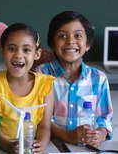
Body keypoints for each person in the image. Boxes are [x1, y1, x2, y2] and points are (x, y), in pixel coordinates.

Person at [37, 11, 113, 146]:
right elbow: (39, 118)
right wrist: (67, 135)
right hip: (51, 147)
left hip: (86, 149)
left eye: (78, 35)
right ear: (52, 44)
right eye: (62, 36)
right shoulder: (41, 74)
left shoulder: (99, 79)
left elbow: (104, 117)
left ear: (87, 44)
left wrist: (101, 133)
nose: (70, 41)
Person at [0, 23, 54, 154]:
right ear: (2, 51)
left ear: (37, 54)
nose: (18, 55)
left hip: (31, 152)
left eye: (26, 50)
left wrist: (42, 144)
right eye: (12, 49)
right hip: (0, 152)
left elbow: (45, 125)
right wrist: (8, 146)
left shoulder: (45, 84)